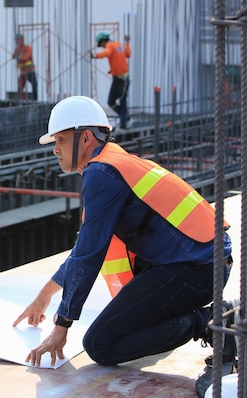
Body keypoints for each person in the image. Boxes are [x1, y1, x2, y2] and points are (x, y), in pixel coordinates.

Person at [13, 96, 234, 374]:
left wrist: (62, 325)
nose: (55, 150)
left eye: (61, 140)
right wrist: (44, 296)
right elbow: (84, 250)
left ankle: (213, 320)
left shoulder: (101, 173)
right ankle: (207, 317)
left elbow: (88, 257)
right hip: (199, 264)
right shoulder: (113, 164)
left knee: (100, 345)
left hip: (197, 270)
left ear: (85, 139)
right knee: (116, 330)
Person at [91, 33, 132, 130]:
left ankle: (124, 124)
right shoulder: (118, 45)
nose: (102, 47)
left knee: (113, 102)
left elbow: (106, 53)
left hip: (120, 80)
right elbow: (128, 54)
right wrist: (127, 43)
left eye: (101, 45)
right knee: (121, 102)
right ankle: (126, 119)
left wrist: (95, 55)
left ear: (103, 41)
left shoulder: (109, 46)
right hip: (123, 79)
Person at [12, 34, 37, 101]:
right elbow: (13, 56)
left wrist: (20, 57)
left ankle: (35, 100)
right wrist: (15, 55)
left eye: (18, 40)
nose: (17, 42)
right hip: (23, 72)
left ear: (22, 40)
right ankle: (21, 98)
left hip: (30, 71)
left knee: (34, 85)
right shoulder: (17, 49)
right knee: (20, 86)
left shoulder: (28, 48)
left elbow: (27, 56)